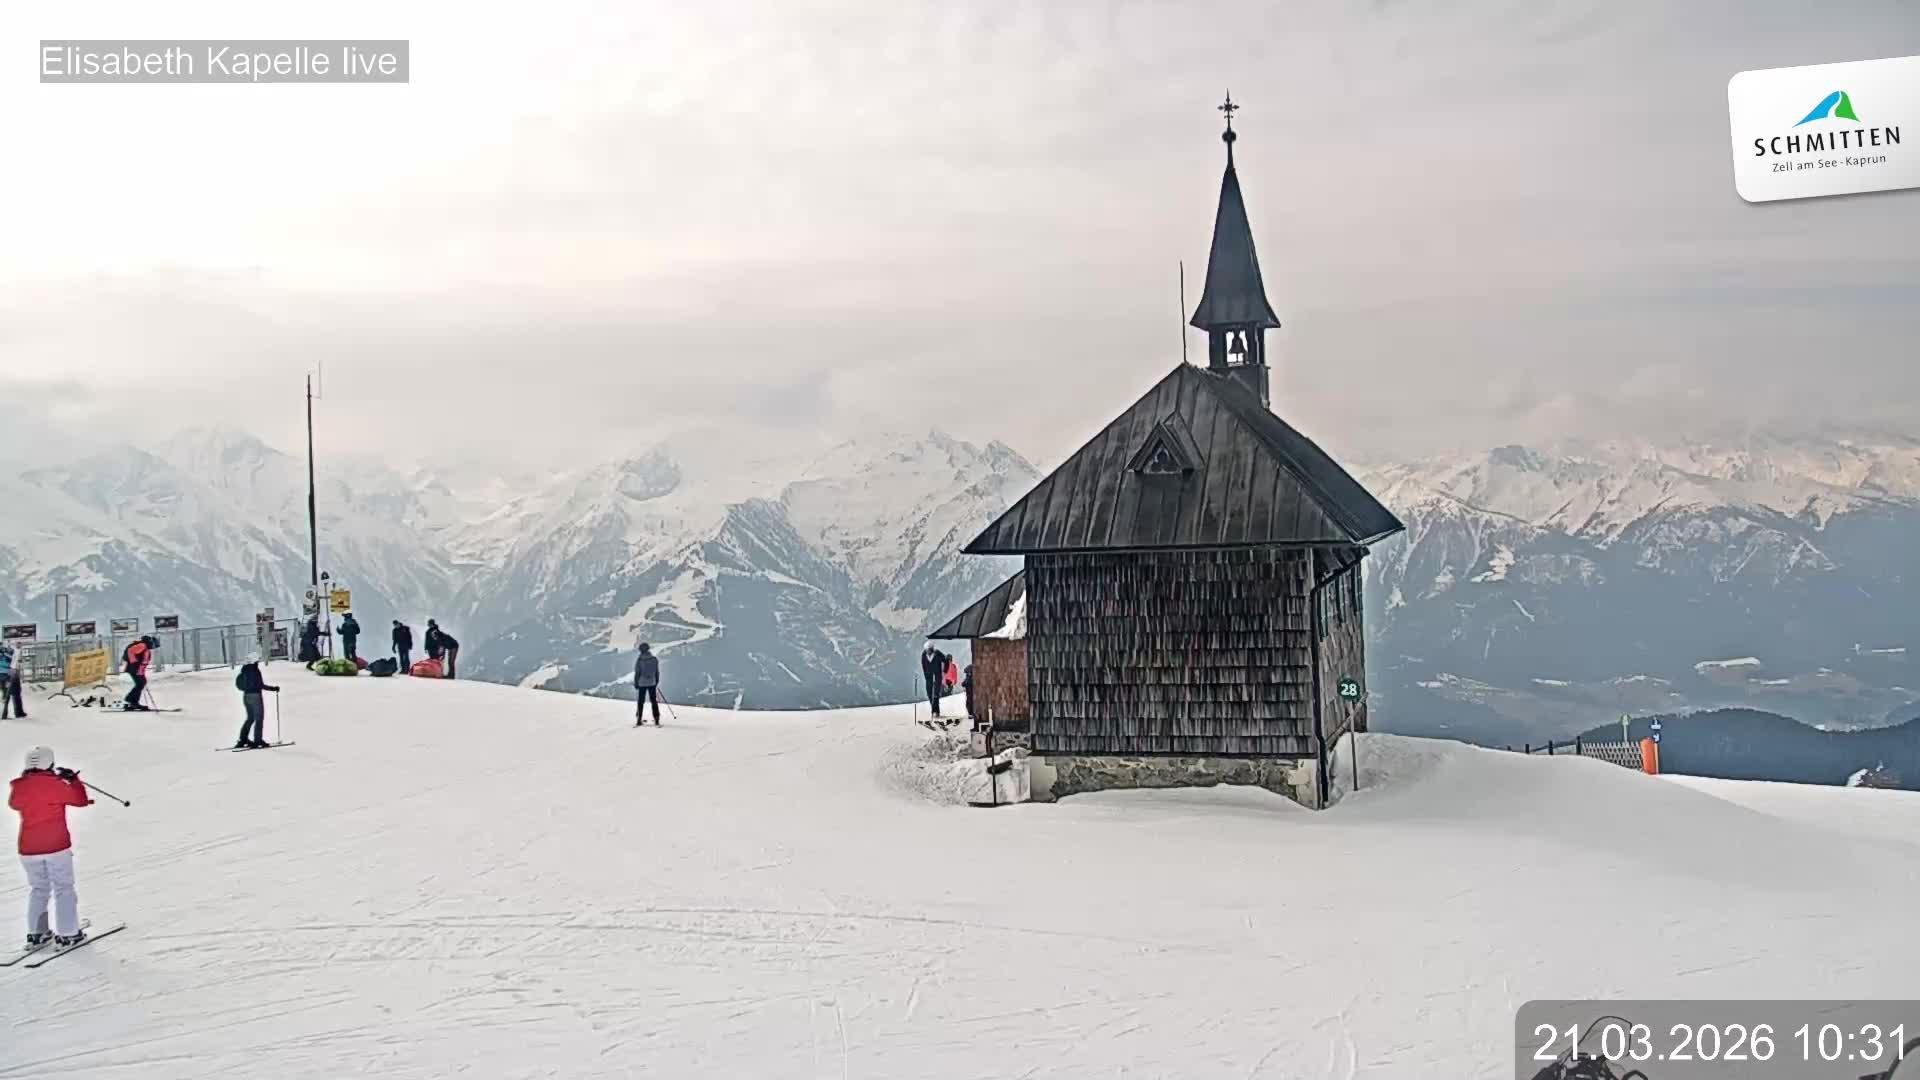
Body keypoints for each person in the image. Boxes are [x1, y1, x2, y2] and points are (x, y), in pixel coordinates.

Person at [10, 746, 92, 950]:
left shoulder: (20, 786)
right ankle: (68, 933)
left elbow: (15, 804)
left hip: (28, 849)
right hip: (56, 847)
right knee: (63, 888)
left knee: (39, 888)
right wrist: (73, 780)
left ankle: (37, 933)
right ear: (50, 763)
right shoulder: (56, 785)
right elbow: (80, 801)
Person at [233, 655, 281, 749]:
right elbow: (260, 685)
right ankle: (258, 740)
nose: (258, 662)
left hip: (246, 697)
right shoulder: (255, 671)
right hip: (255, 696)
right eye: (257, 661)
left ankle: (243, 739)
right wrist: (273, 688)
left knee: (250, 718)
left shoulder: (244, 670)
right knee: (259, 718)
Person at [120, 635, 154, 711]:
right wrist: (134, 662)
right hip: (133, 668)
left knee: (141, 683)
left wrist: (141, 672)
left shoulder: (145, 648)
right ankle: (131, 700)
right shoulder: (142, 645)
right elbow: (130, 651)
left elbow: (143, 662)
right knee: (140, 684)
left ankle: (133, 702)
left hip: (137, 669)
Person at [633, 642, 662, 726]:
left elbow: (637, 673)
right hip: (652, 683)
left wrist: (636, 683)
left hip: (642, 683)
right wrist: (656, 681)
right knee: (653, 701)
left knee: (640, 701)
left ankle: (639, 719)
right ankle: (656, 719)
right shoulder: (654, 659)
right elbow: (657, 672)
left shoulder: (640, 660)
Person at [920, 645, 947, 717]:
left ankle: (935, 711)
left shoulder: (937, 653)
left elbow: (946, 660)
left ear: (932, 649)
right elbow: (923, 664)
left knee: (936, 694)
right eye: (926, 650)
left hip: (937, 674)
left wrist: (945, 671)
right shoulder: (924, 654)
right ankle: (934, 709)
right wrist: (925, 673)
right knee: (929, 693)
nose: (928, 652)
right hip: (928, 675)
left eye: (929, 650)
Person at [0, 642, 24, 720]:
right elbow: (13, 660)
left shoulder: (6, 650)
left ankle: (14, 713)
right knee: (6, 694)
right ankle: (3, 715)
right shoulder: (7, 651)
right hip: (7, 674)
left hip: (8, 674)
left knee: (9, 693)